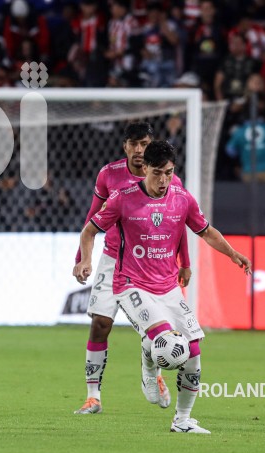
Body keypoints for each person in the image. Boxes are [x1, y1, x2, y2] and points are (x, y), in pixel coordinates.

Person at [74, 141, 252, 433]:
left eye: (168, 173)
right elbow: (90, 230)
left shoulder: (182, 199)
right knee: (167, 344)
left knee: (193, 351)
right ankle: (149, 367)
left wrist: (233, 254)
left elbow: (206, 232)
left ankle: (182, 420)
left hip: (168, 288)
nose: (163, 180)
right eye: (157, 173)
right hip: (130, 285)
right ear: (144, 169)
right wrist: (85, 260)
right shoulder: (122, 198)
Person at [73, 123, 191, 415]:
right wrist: (83, 258)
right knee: (100, 323)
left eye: (145, 144)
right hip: (113, 258)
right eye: (134, 144)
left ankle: (153, 373)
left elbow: (180, 225)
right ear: (125, 145)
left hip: (151, 263)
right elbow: (93, 217)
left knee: (157, 329)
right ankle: (92, 396)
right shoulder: (109, 174)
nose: (139, 150)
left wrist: (184, 262)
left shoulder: (168, 179)